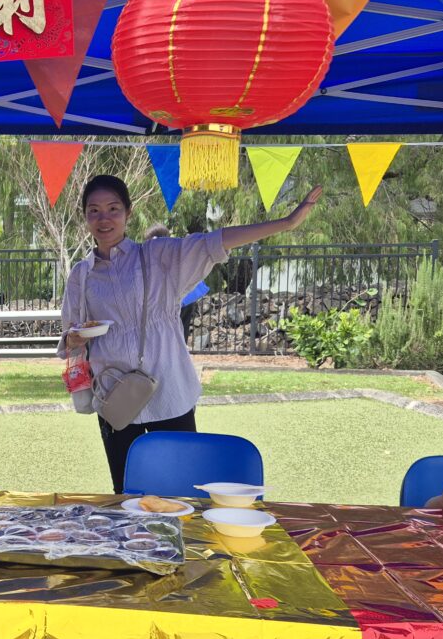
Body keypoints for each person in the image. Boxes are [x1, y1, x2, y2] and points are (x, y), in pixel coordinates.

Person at [60, 174, 321, 493]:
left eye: (113, 208)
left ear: (128, 213)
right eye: (94, 211)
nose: (104, 219)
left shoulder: (158, 257)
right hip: (115, 401)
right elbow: (70, 334)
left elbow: (216, 241)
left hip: (169, 394)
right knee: (126, 495)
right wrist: (74, 339)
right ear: (84, 217)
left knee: (181, 491)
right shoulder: (81, 275)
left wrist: (286, 222)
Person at [144, 223, 209, 339]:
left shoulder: (158, 254)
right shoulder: (177, 249)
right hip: (186, 297)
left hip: (178, 299)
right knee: (181, 330)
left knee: (173, 331)